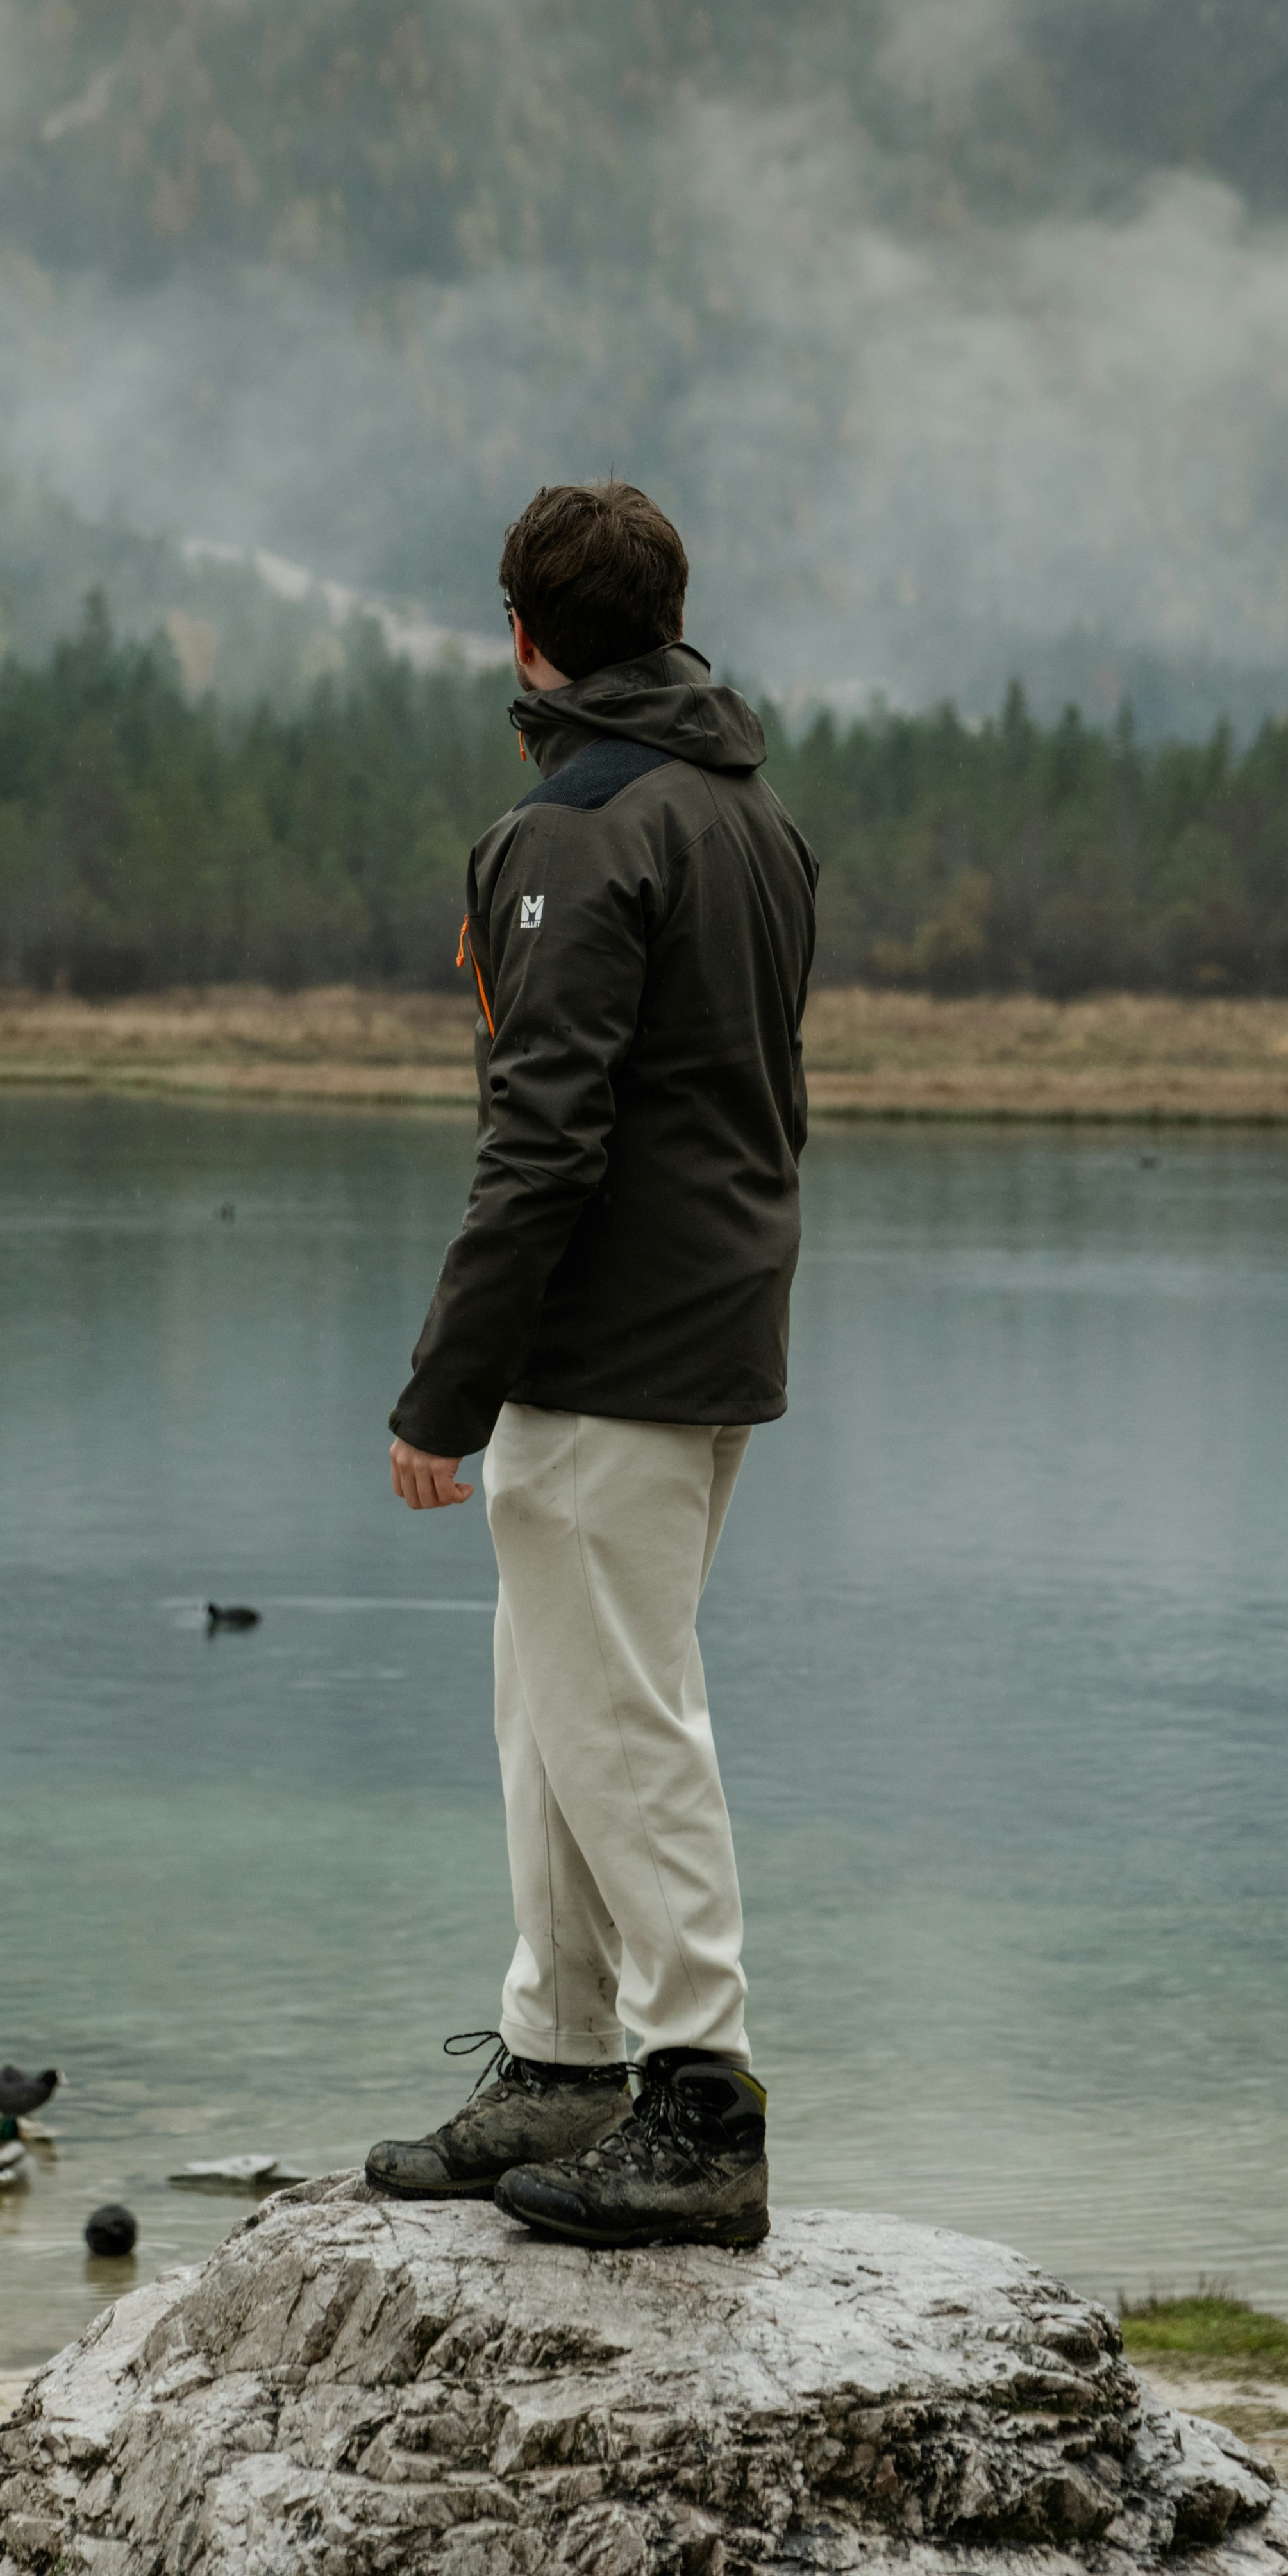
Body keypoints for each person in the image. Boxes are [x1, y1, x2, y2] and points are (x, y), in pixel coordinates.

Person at [364, 479, 817, 2252]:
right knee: (553, 1696)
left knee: (621, 1714)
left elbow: (538, 1140)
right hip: (711, 1331)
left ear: (525, 634)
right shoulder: (749, 814)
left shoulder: (578, 831)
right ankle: (558, 2057)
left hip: (605, 1350)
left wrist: (440, 1391)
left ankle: (697, 2096)